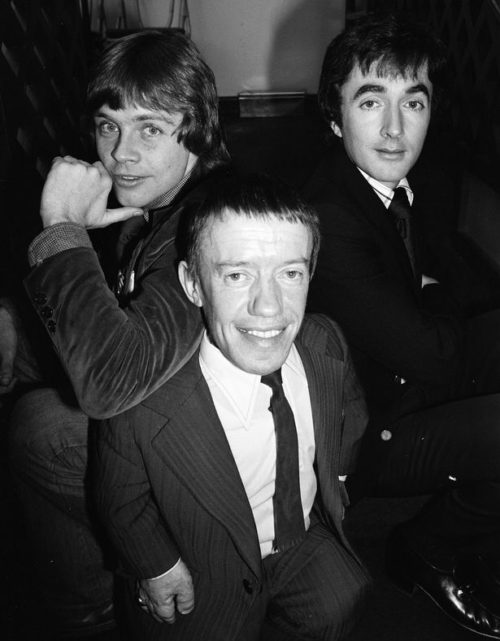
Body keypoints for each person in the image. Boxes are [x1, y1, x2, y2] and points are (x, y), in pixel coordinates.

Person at [5, 29, 229, 637]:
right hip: (165, 404)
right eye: (109, 126)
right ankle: (86, 600)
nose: (120, 154)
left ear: (197, 131)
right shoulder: (156, 204)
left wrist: (60, 226)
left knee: (39, 430)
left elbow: (109, 382)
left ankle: (92, 603)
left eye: (149, 129)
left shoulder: (205, 228)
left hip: (214, 463)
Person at [95, 171, 370, 641]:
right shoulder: (145, 396)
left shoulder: (324, 341)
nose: (269, 307)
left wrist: (338, 477)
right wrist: (156, 565)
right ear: (193, 284)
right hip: (201, 564)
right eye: (237, 275)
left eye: (290, 273)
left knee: (344, 597)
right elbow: (118, 496)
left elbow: (351, 408)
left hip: (299, 537)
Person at [302, 12, 500, 639]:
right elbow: (437, 352)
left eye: (413, 102)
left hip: (405, 369)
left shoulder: (409, 176)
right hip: (365, 430)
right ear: (335, 116)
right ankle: (427, 548)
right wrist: (434, 299)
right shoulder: (330, 216)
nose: (395, 129)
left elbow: (447, 279)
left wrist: (433, 298)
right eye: (370, 102)